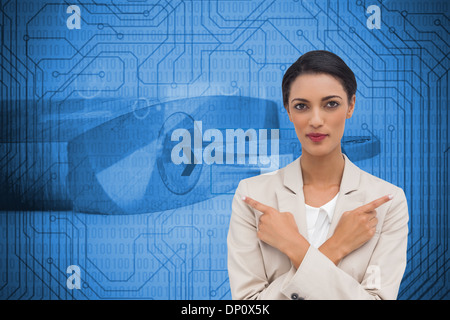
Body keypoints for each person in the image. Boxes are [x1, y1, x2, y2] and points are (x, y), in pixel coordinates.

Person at [227, 50, 409, 300]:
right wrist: (336, 247)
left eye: (331, 104)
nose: (315, 120)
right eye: (301, 106)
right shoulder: (252, 195)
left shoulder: (388, 201)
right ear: (288, 112)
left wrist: (295, 247)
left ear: (351, 106)